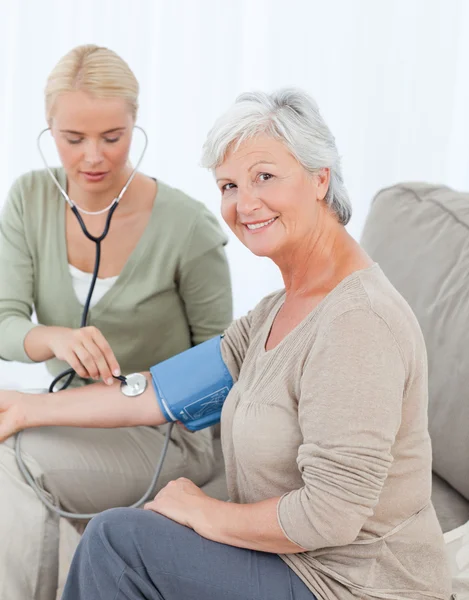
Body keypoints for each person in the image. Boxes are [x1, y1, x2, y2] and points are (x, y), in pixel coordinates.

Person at [0, 88, 452, 600]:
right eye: (229, 185)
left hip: (353, 586)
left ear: (319, 177)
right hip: (293, 566)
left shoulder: (357, 321)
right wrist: (29, 408)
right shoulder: (277, 311)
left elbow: (331, 515)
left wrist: (204, 511)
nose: (245, 203)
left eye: (265, 176)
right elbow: (162, 391)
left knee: (118, 541)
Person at [0, 44, 232, 600]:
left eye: (113, 136)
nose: (93, 158)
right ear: (48, 128)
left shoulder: (188, 228)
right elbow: (5, 321)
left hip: (167, 431)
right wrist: (52, 337)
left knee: (11, 462)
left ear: (136, 123)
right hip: (76, 412)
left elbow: (225, 363)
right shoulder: (30, 198)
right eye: (73, 139)